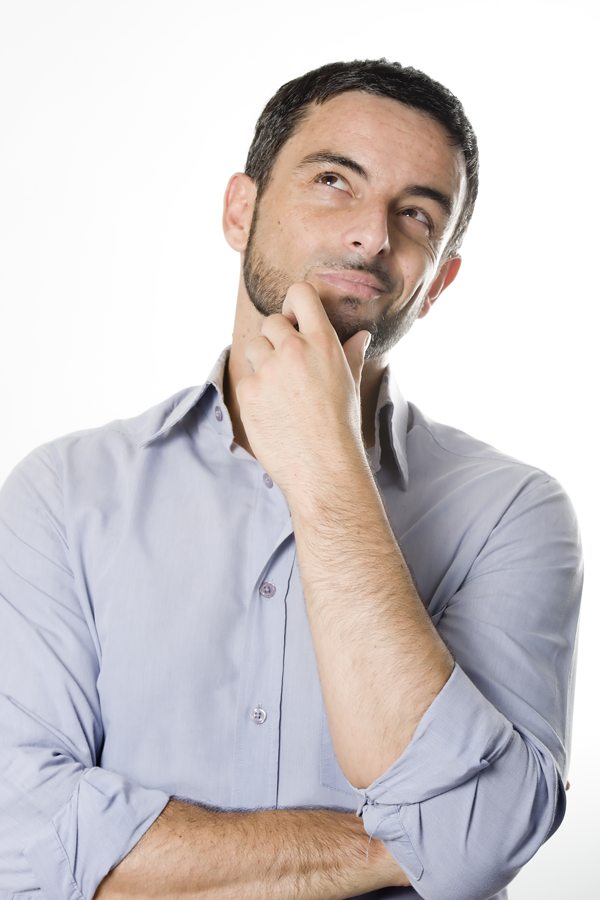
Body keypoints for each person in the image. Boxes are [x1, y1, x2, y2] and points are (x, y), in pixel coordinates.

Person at [0, 59, 582, 900]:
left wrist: (327, 465)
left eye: (416, 213)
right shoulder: (63, 493)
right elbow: (20, 837)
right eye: (334, 180)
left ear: (440, 281)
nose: (372, 235)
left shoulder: (511, 513)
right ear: (241, 211)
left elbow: (484, 843)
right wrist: (399, 848)